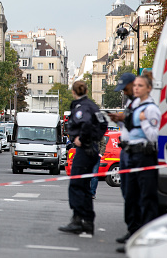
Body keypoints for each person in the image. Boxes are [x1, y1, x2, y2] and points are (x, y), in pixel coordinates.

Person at [116, 73, 160, 254]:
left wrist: (144, 122)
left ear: (148, 88)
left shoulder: (150, 109)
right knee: (131, 194)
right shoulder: (134, 105)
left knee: (146, 197)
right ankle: (132, 232)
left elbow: (155, 136)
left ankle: (145, 237)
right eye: (135, 86)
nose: (136, 89)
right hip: (130, 152)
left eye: (140, 86)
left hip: (144, 155)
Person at [58, 81, 107, 236]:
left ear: (74, 92)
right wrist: (95, 138)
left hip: (84, 150)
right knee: (84, 187)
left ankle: (78, 220)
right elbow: (103, 123)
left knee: (76, 185)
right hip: (92, 148)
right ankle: (88, 222)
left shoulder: (81, 107)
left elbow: (84, 122)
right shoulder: (92, 105)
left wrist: (82, 139)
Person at [107, 72, 137, 246]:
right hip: (126, 150)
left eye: (125, 89)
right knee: (127, 192)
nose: (124, 93)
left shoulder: (142, 104)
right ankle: (131, 230)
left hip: (136, 151)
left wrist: (124, 118)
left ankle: (135, 232)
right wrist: (119, 120)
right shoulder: (130, 102)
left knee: (134, 194)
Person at [90, 132, 108, 199]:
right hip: (86, 156)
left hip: (95, 156)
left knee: (94, 175)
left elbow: (103, 144)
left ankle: (92, 193)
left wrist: (100, 154)